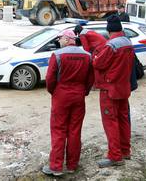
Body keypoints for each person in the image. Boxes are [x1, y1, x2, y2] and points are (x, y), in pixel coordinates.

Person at [42, 30, 94, 176]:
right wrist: (84, 91)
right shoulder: (87, 55)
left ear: (67, 39)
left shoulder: (57, 55)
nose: (59, 41)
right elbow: (91, 78)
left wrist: (54, 92)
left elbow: (50, 78)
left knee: (59, 130)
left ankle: (56, 167)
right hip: (78, 96)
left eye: (60, 38)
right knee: (75, 130)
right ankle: (72, 165)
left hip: (61, 96)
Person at [92, 15, 134, 167]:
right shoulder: (127, 42)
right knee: (123, 120)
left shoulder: (111, 46)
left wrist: (95, 55)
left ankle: (115, 156)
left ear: (109, 30)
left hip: (109, 89)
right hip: (123, 88)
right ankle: (125, 151)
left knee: (111, 122)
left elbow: (98, 63)